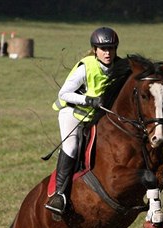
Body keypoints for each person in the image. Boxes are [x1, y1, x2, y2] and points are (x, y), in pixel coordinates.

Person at [45, 27, 121, 216]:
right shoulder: (86, 66)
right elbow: (63, 93)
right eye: (103, 49)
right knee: (72, 146)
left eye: (111, 48)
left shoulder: (119, 66)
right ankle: (59, 195)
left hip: (94, 116)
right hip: (72, 112)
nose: (107, 53)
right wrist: (88, 99)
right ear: (95, 50)